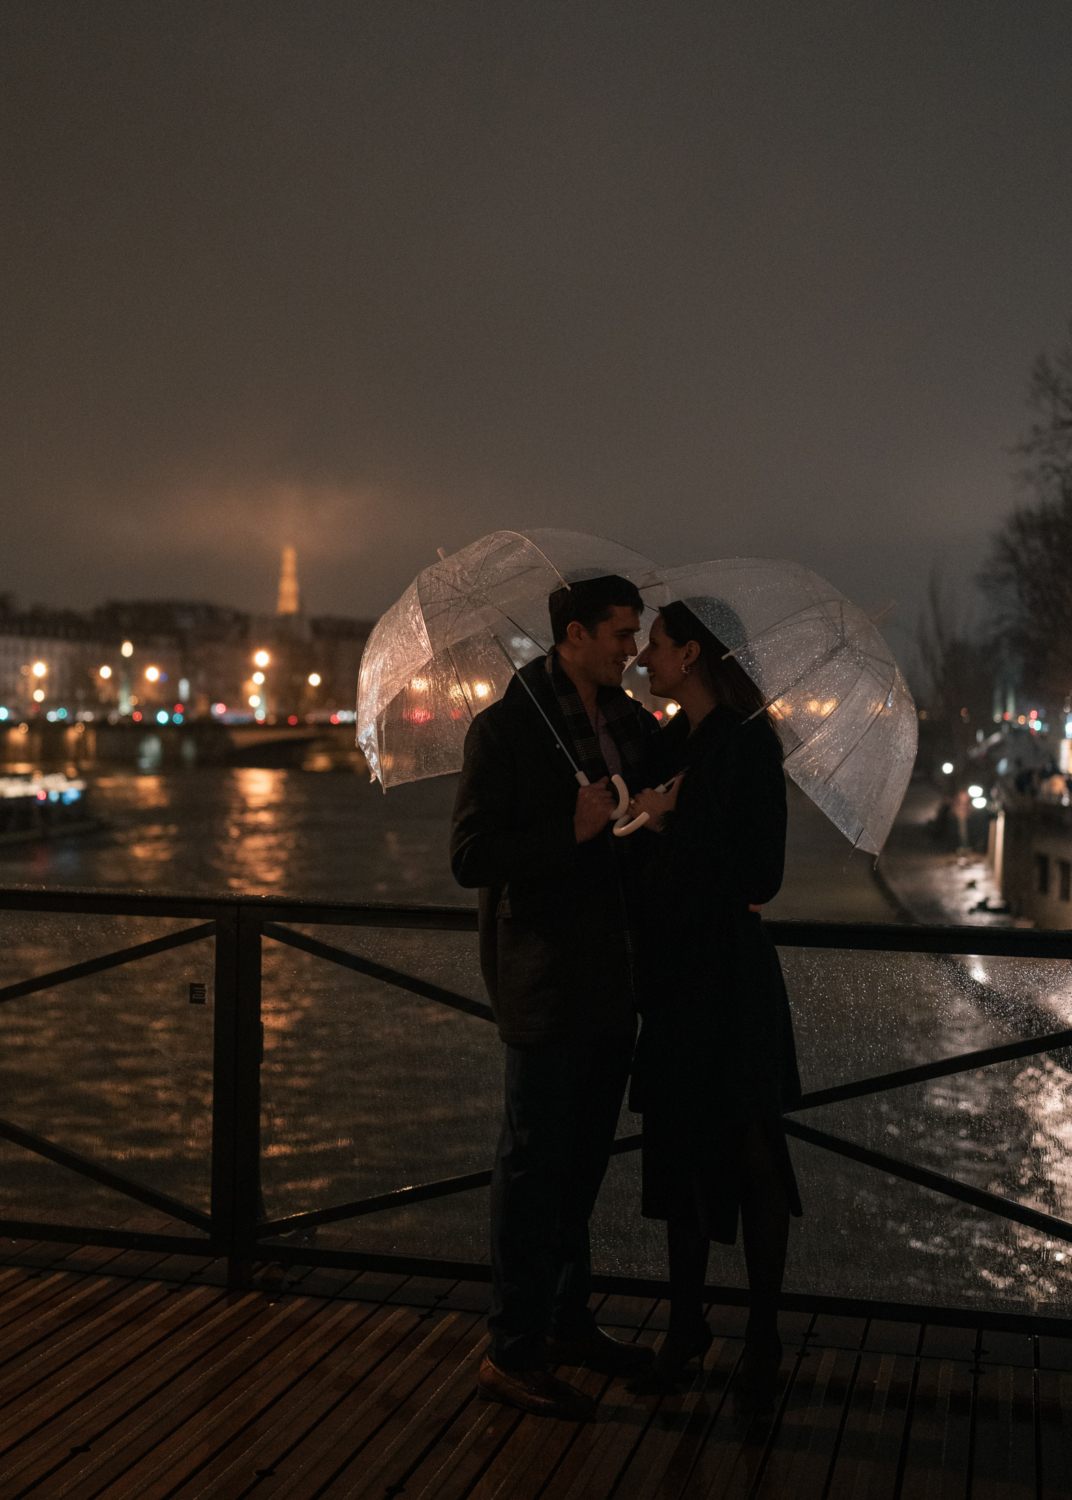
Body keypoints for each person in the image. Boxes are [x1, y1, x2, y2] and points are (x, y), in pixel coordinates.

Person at [450, 574, 659, 1420]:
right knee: (532, 1165)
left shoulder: (629, 728)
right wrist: (566, 832)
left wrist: (655, 812)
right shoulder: (503, 732)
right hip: (542, 977)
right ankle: (512, 1347)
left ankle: (569, 1322)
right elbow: (470, 856)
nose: (632, 648)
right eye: (620, 633)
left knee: (581, 1163)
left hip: (616, 972)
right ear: (572, 636)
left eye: (639, 634)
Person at [625, 601, 803, 1405]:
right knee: (678, 1149)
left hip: (727, 978)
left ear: (691, 653)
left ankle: (761, 1337)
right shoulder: (672, 740)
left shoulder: (745, 742)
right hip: (675, 973)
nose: (645, 658)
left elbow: (760, 873)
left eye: (656, 645)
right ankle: (686, 1324)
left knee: (754, 1152)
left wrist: (674, 815)